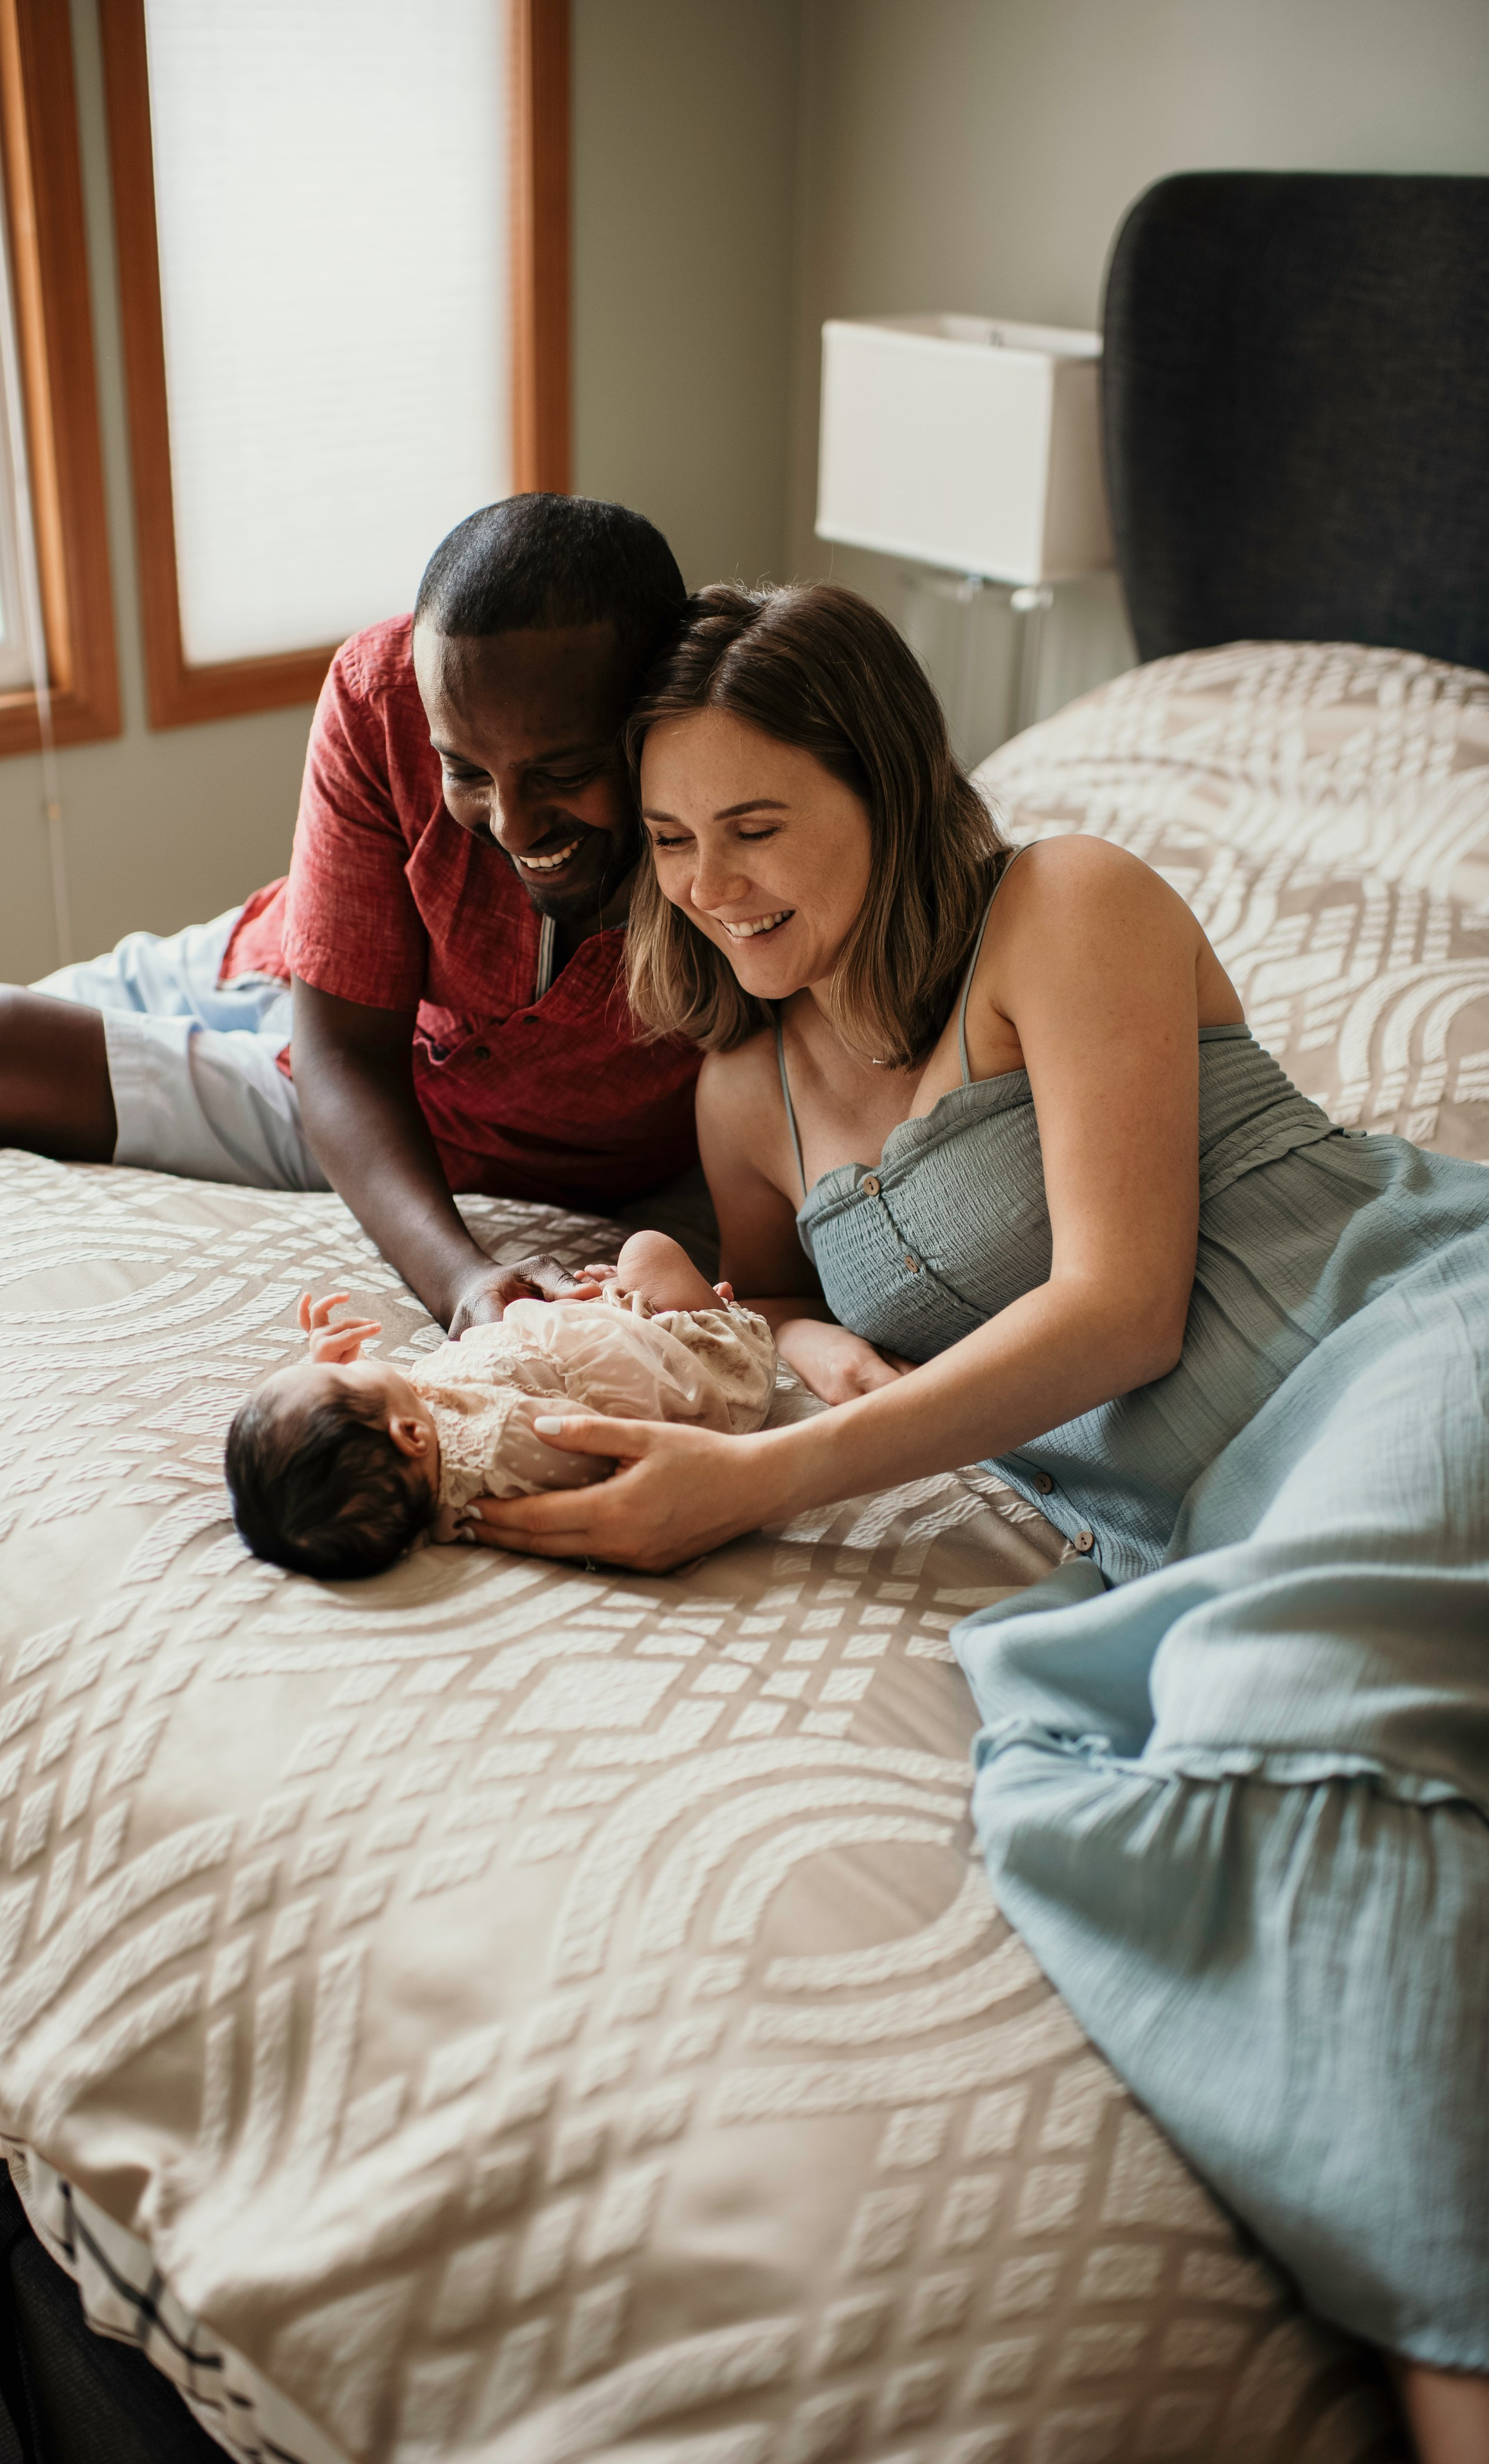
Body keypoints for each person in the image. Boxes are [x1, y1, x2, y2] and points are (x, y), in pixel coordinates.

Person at [464, 580, 1489, 2458]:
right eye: (675, 839)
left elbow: (1119, 1310)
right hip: (1182, 1521)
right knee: (1069, 1788)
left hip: (1397, 1342)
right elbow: (772, 1292)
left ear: (889, 776)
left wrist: (756, 1479)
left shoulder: (1064, 906)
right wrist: (763, 1333)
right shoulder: (741, 1085)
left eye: (759, 826)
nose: (714, 883)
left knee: (1315, 1726)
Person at [0, 496, 706, 1332]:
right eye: (467, 772)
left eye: (562, 772)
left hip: (398, 1105)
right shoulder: (381, 693)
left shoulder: (729, 820)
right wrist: (460, 1279)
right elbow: (344, 1049)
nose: (513, 823)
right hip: (307, 990)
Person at [224, 1231, 774, 1578]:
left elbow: (364, 1418)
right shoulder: (499, 1442)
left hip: (600, 1352)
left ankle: (639, 1298)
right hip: (695, 1381)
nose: (330, 1366)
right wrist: (632, 1321)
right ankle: (715, 1315)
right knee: (648, 1250)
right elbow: (631, 1442)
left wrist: (329, 1370)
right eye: (330, 1380)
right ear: (408, 1435)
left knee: (619, 1278)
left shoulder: (415, 1440)